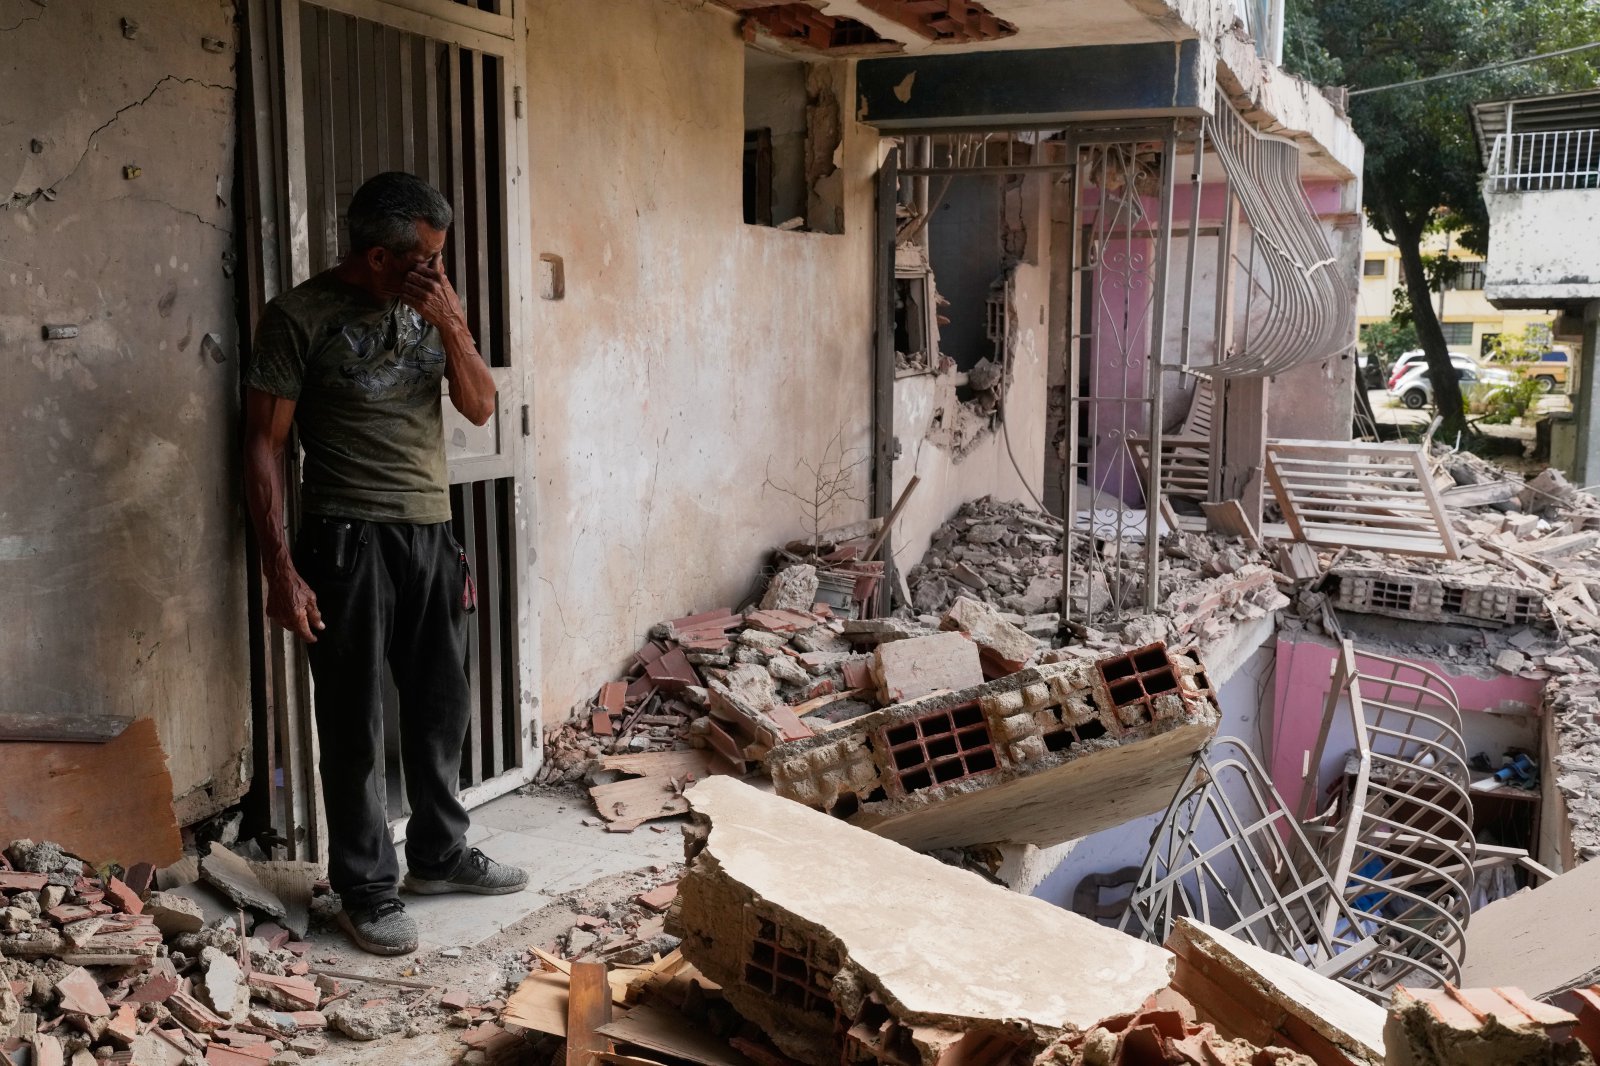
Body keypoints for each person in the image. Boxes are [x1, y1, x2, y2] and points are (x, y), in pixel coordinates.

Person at [243, 172, 527, 956]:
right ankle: (366, 888)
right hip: (344, 539)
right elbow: (264, 447)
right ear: (378, 256)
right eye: (426, 259)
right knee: (355, 720)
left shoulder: (434, 307)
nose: (438, 269)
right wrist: (280, 569)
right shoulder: (298, 317)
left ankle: (438, 856)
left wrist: (454, 325)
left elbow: (478, 406)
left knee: (442, 707)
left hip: (430, 532)